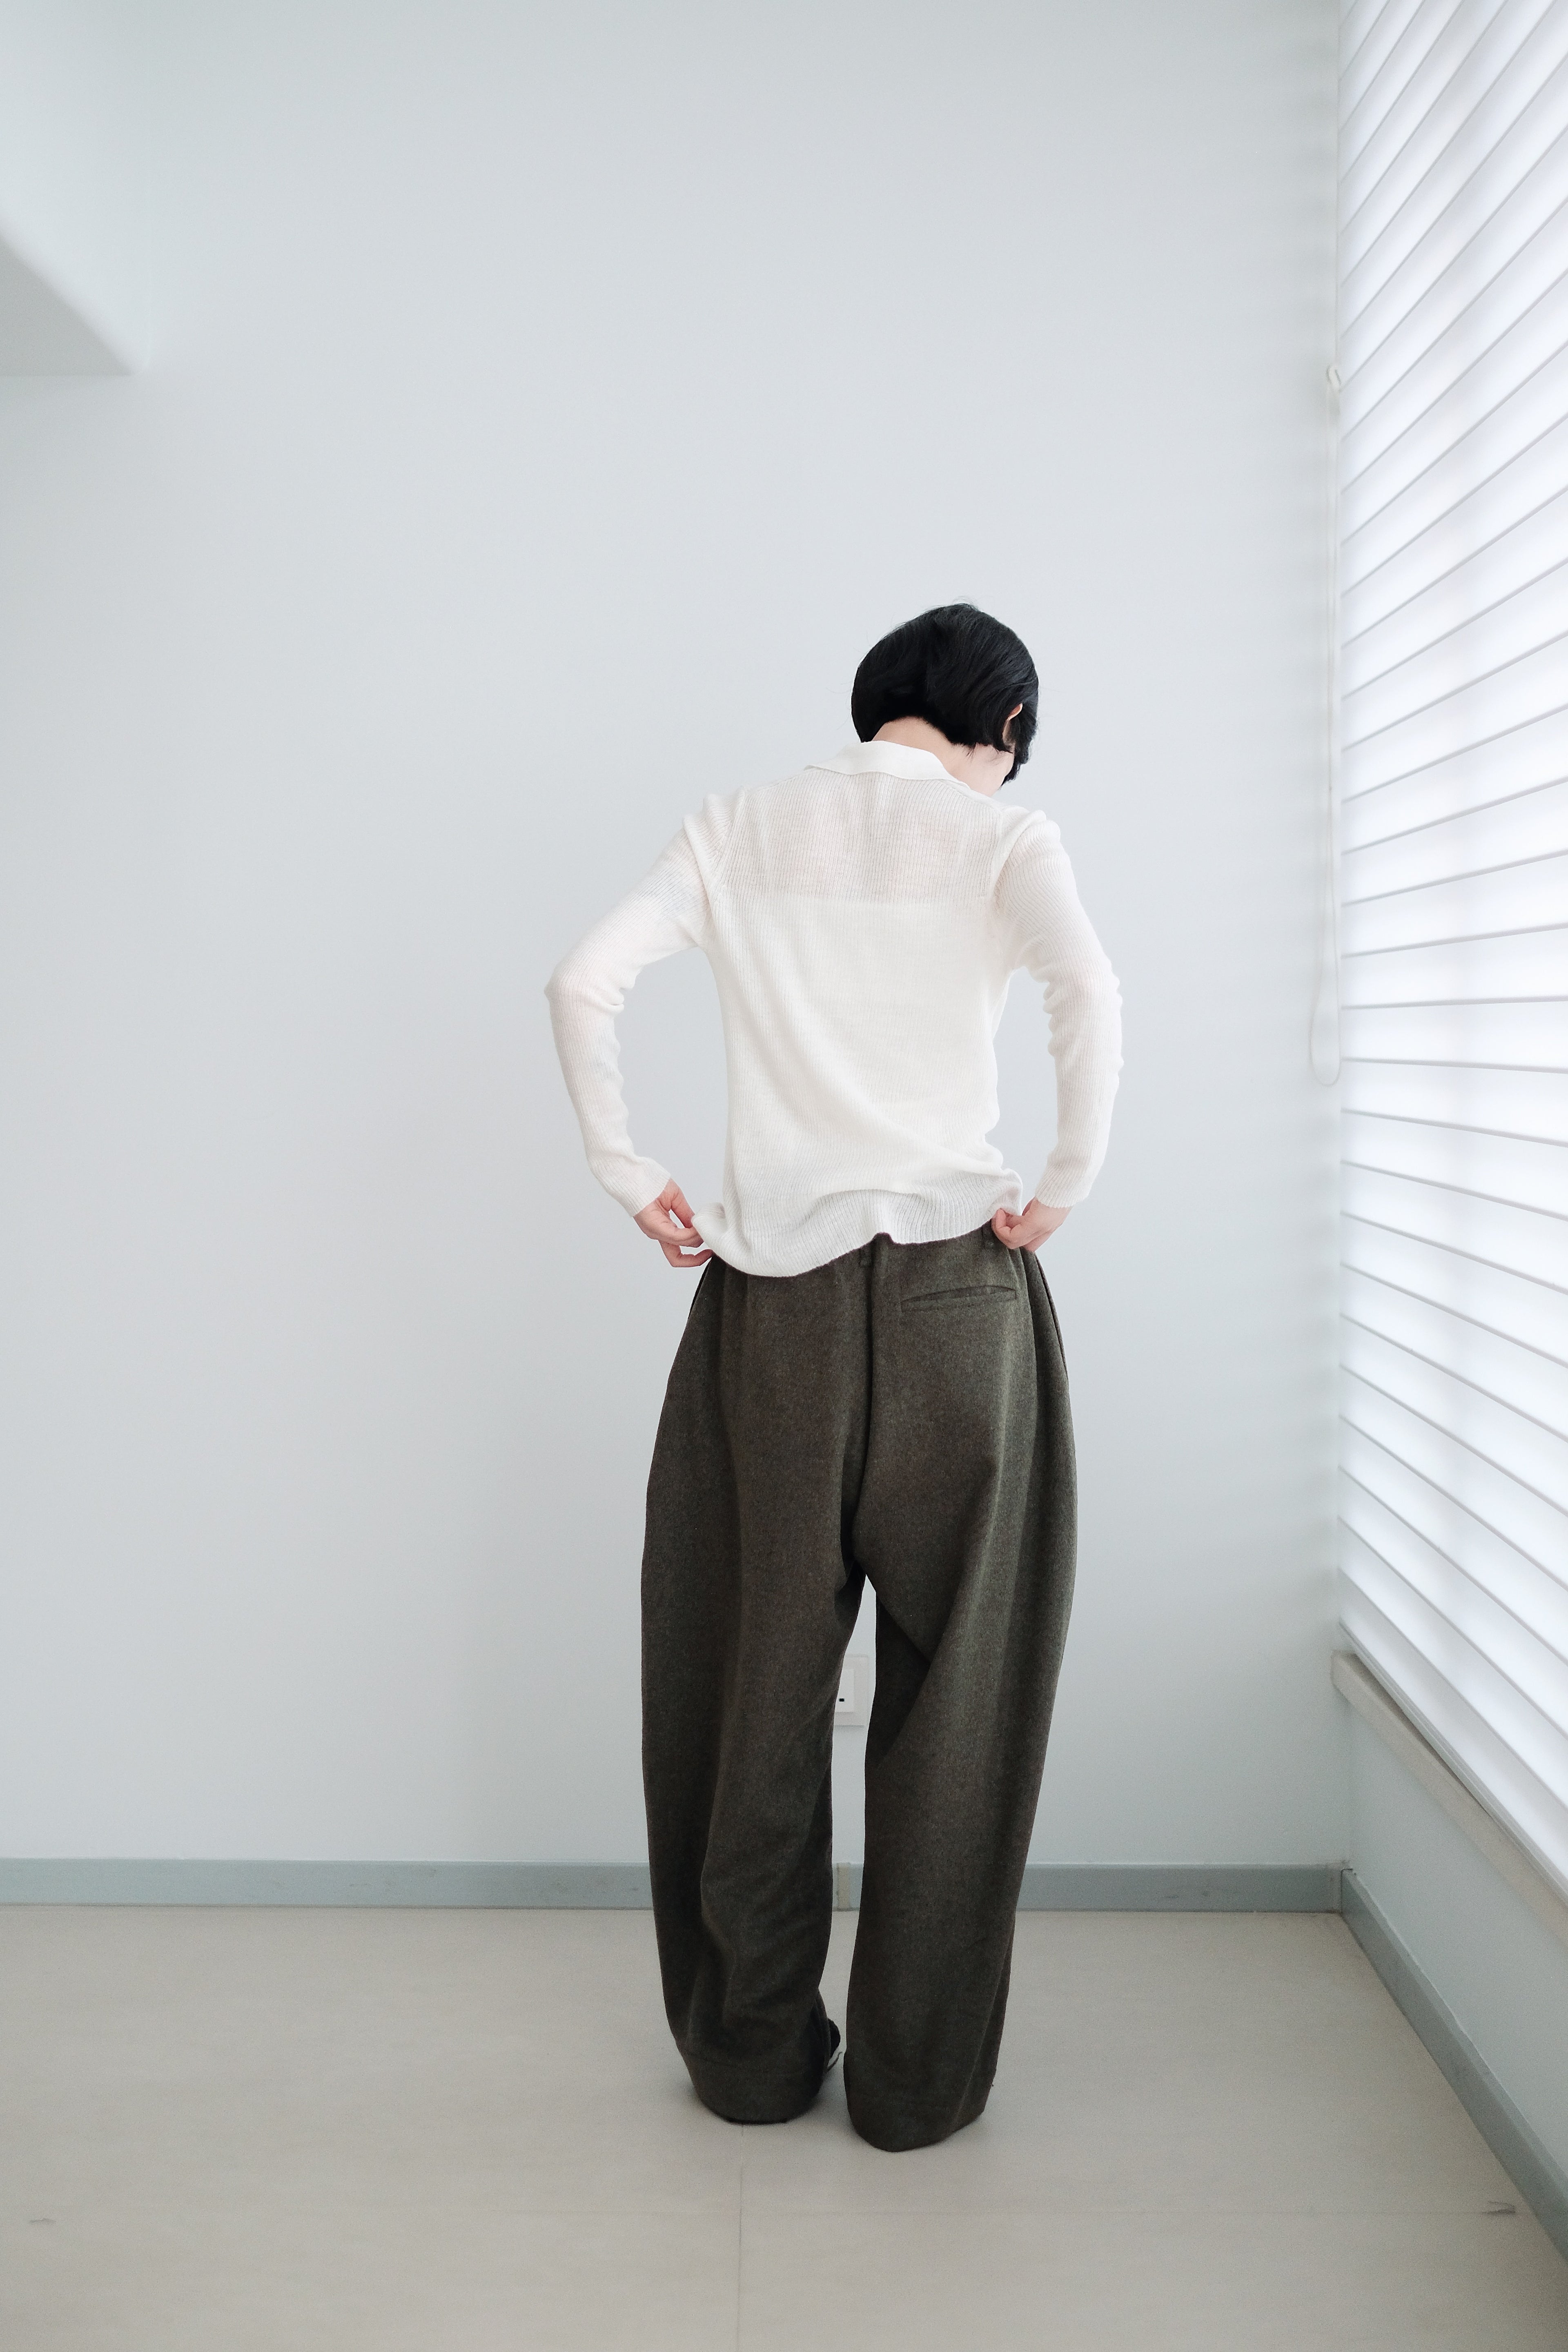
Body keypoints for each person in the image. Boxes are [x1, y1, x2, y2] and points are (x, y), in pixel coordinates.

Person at [547, 604, 1121, 2151]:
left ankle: (748, 2061)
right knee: (963, 1704)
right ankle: (914, 2088)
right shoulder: (1004, 839)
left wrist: (628, 1169)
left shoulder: (739, 825)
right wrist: (1066, 1180)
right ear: (1002, 728)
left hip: (772, 1311)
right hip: (962, 1299)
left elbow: (584, 981)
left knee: (748, 1687)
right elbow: (1088, 991)